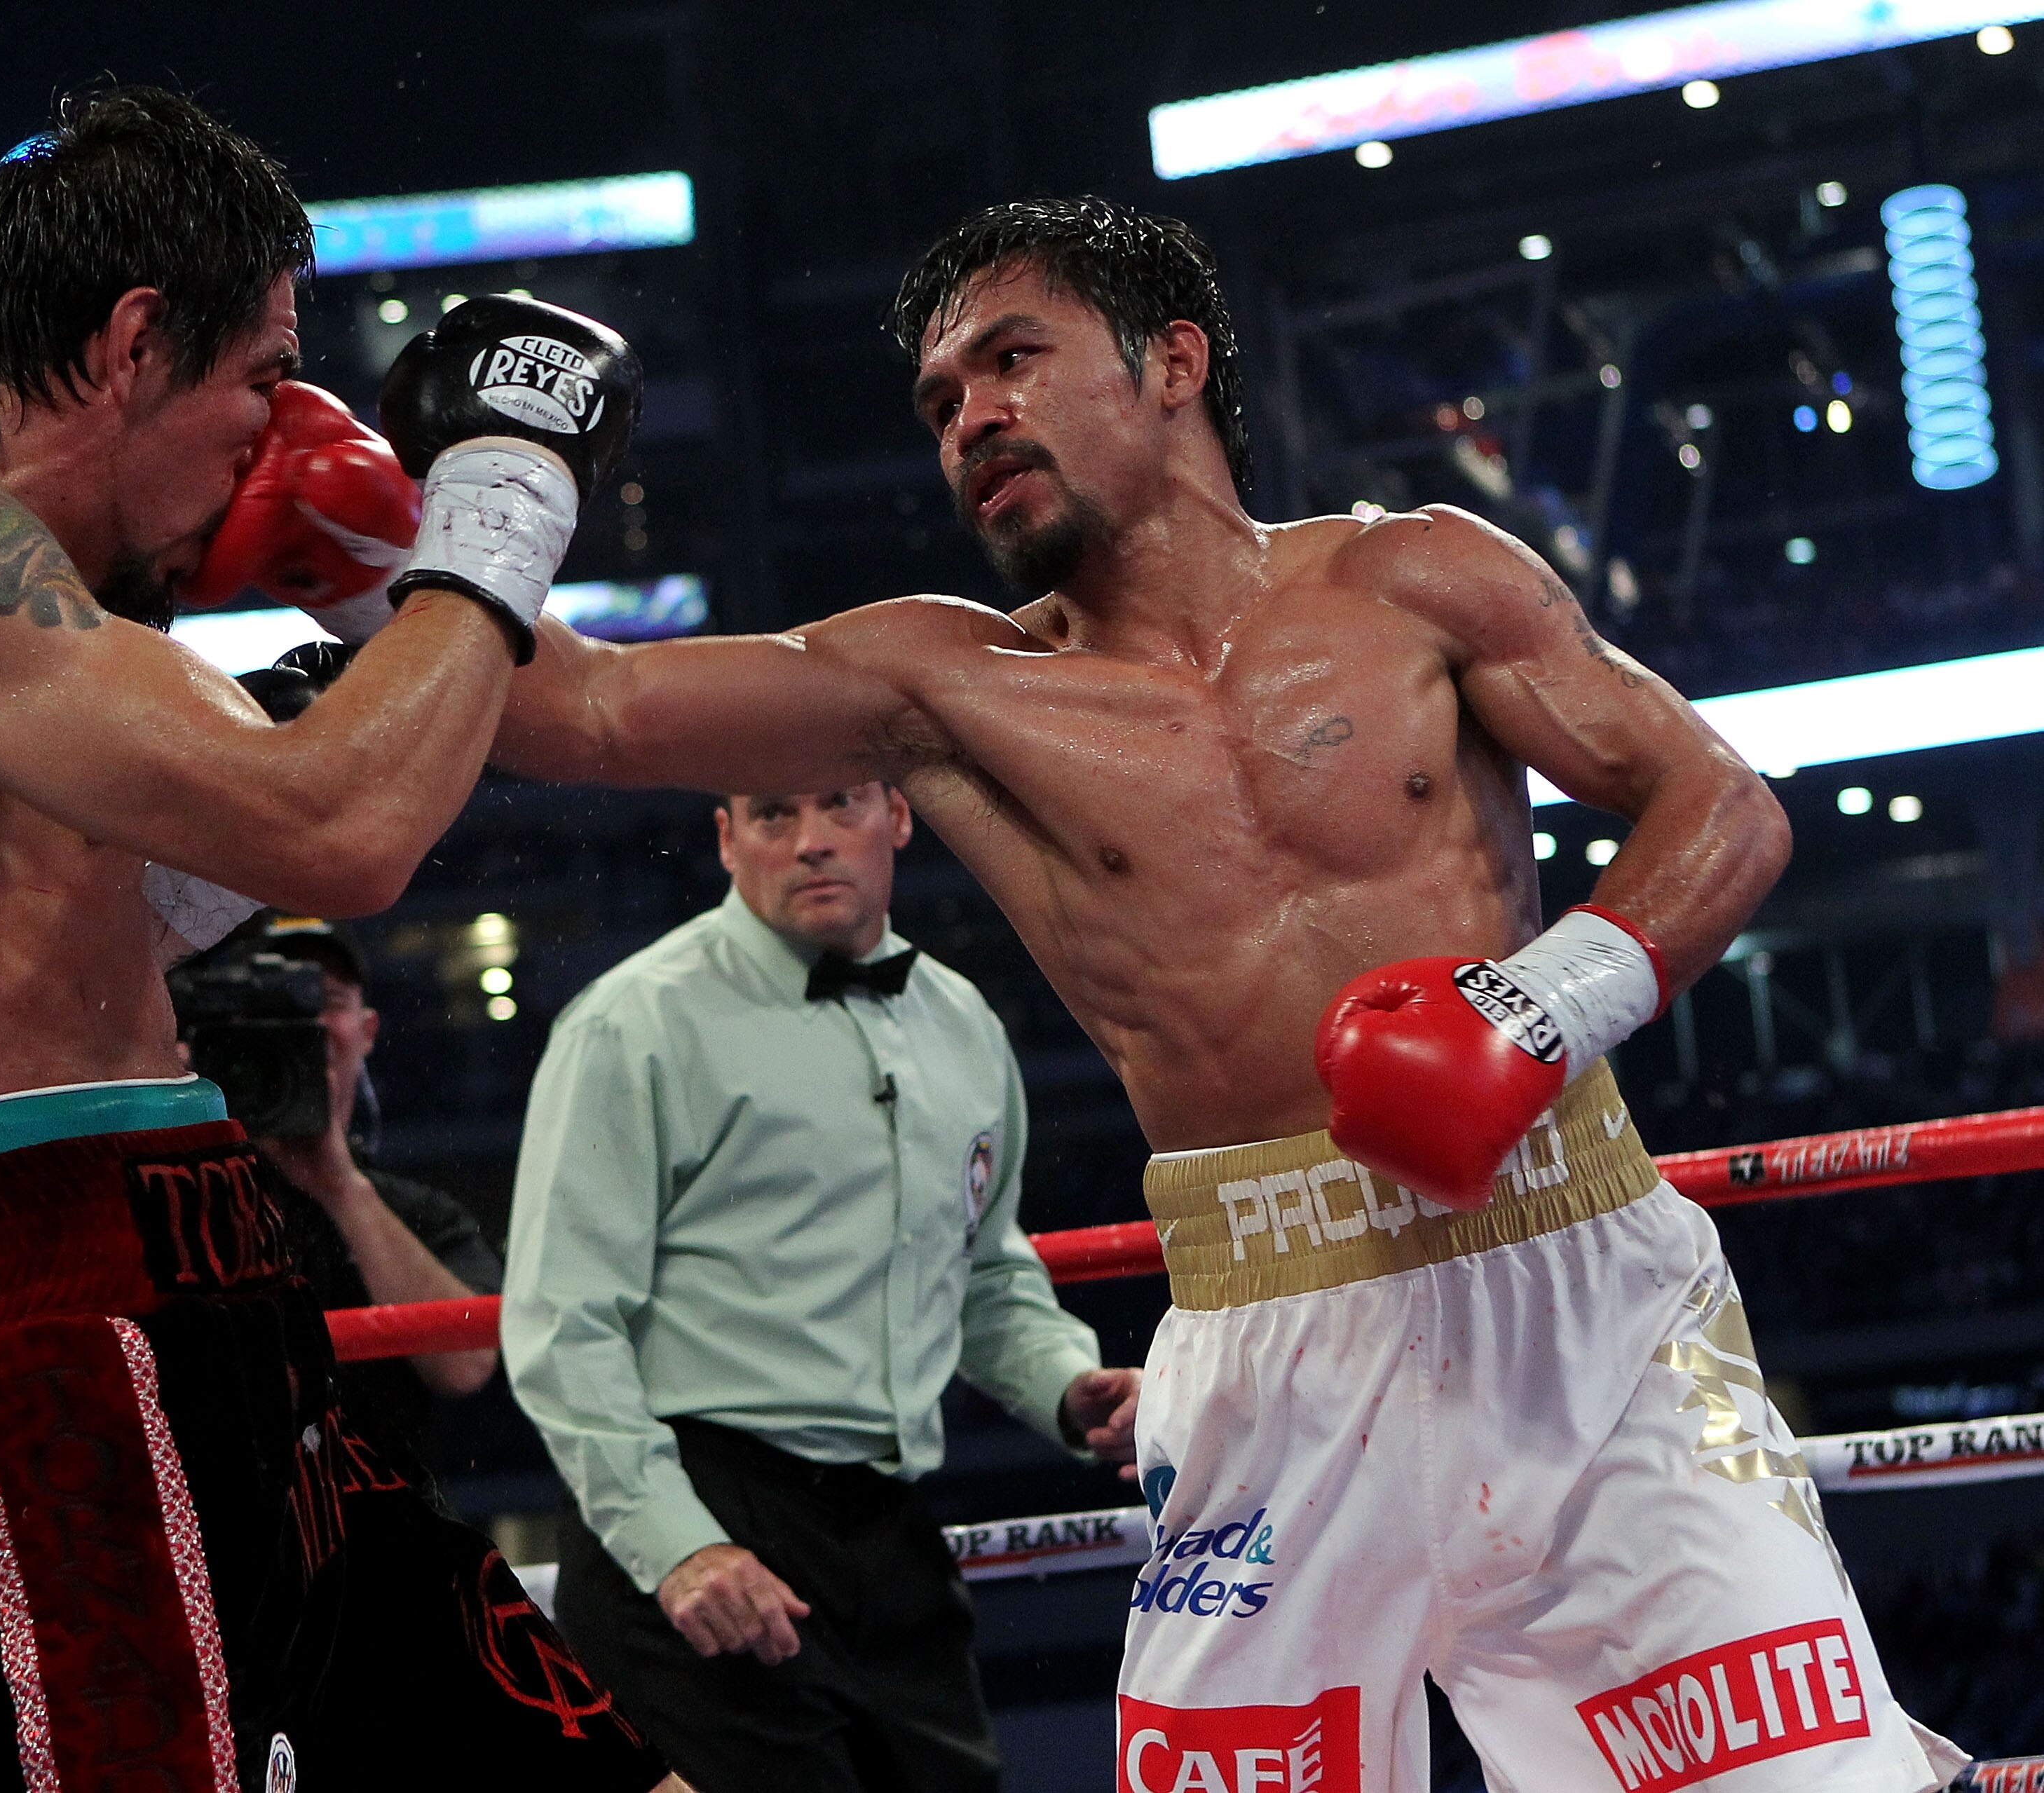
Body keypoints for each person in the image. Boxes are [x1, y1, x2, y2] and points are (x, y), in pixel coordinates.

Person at [475, 198, 1964, 1791]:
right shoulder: (944, 684)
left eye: (1011, 360)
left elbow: (1721, 806)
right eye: (939, 403)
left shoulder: (1422, 578)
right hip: (1270, 1353)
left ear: (1172, 360)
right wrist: (453, 503)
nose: (970, 415)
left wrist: (1536, 1013)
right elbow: (590, 709)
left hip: (1581, 1300)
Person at [0, 86, 677, 1792]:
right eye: (264, 372)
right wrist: (500, 500)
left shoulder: (41, 630)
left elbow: (132, 903)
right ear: (136, 340)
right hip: (43, 1324)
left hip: (221, 1284)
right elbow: (343, 831)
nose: (281, 421)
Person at [503, 778, 1135, 1792]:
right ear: (725, 838)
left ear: (897, 817)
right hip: (696, 1512)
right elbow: (561, 1323)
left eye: (839, 807)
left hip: (886, 1532)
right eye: (773, 816)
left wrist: (1070, 1383)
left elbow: (982, 1272)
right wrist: (676, 1547)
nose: (810, 844)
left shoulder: (958, 1021)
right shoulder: (635, 1021)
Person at [239, 913, 505, 1459]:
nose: (308, 1024)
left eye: (329, 1000)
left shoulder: (420, 1213)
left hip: (393, 1524)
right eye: (285, 1003)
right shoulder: (198, 1202)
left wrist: (340, 1186)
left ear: (367, 1031)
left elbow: (466, 1365)